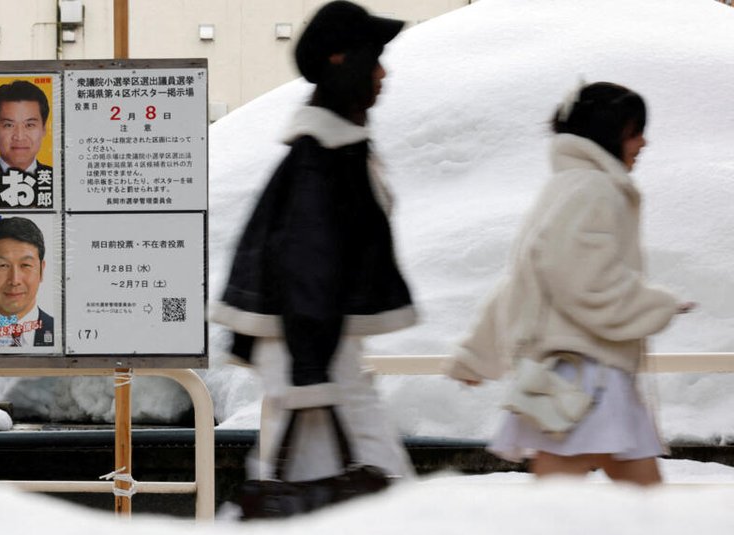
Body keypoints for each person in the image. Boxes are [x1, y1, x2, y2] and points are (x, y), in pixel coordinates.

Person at [443, 82, 693, 486]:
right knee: (604, 502)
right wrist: (655, 306)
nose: (644, 142)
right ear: (608, 134)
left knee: (626, 501)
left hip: (580, 376)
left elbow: (523, 282)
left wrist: (477, 355)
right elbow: (584, 283)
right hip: (587, 377)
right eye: (634, 131)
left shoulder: (566, 187)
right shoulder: (594, 189)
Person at [211, 0, 418, 484]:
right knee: (364, 484)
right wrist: (309, 369)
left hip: (316, 347)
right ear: (343, 62)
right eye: (374, 57)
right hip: (313, 349)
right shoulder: (324, 157)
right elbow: (306, 260)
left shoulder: (329, 149)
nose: (383, 73)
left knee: (306, 485)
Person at [0, 216, 54, 347]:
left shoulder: (62, 333)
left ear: (41, 270)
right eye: (3, 265)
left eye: (25, 265)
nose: (14, 280)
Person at [0, 80, 52, 197]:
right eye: (9, 125)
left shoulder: (60, 181)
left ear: (44, 128)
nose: (19, 137)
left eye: (30, 125)